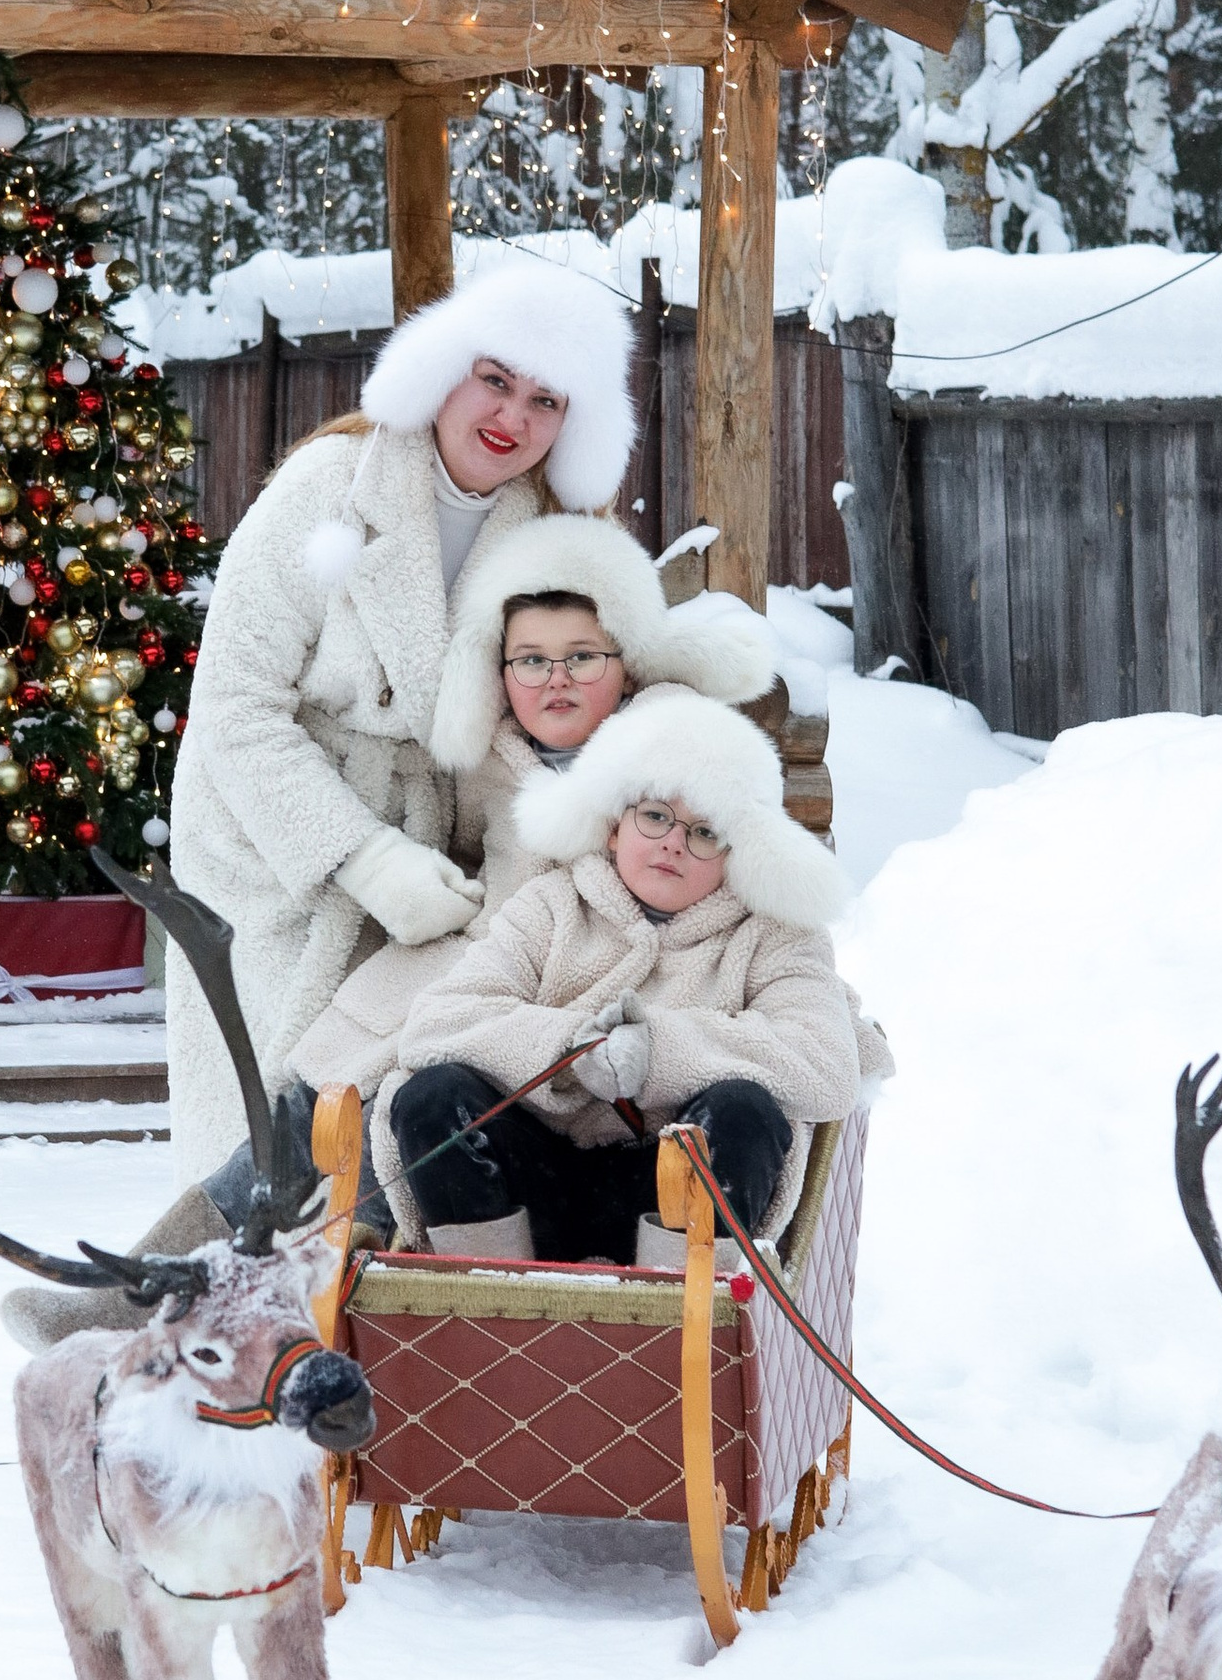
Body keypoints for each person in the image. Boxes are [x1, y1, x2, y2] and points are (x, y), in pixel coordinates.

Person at [159, 261, 636, 1185]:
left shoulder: (559, 530)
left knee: (393, 1127)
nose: (512, 416)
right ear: (445, 368)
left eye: (546, 398)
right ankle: (192, 1289)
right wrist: (362, 857)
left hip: (448, 865)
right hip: (280, 846)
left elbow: (604, 688)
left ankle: (381, 1316)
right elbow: (232, 704)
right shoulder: (328, 485)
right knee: (269, 1121)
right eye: (495, 379)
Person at [286, 513, 779, 1111]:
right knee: (347, 1062)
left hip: (607, 975)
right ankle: (269, 1178)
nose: (557, 681)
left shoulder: (670, 739)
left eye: (583, 657)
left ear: (627, 662)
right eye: (531, 660)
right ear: (499, 669)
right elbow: (471, 846)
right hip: (496, 959)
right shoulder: (494, 758)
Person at [379, 691, 867, 1269]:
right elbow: (440, 1021)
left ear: (737, 852)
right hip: (529, 1184)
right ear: (614, 827)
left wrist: (660, 1053)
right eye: (655, 816)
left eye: (705, 831)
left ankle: (667, 1311)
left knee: (744, 1110)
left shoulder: (777, 935)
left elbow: (825, 1064)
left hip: (669, 1194)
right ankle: (491, 1295)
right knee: (433, 1097)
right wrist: (568, 1048)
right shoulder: (551, 905)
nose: (673, 843)